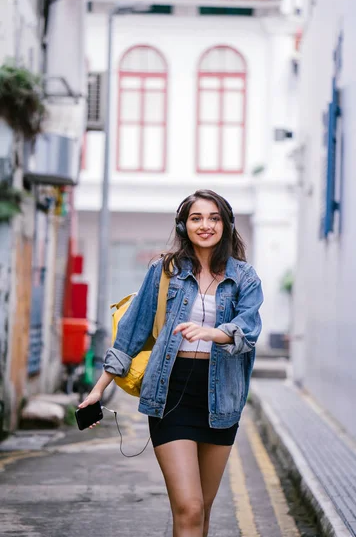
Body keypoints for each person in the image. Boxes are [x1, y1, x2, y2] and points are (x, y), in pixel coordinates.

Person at [79, 189, 263, 537]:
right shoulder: (165, 271)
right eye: (196, 218)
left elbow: (248, 330)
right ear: (183, 225)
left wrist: (211, 333)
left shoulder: (245, 278)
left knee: (202, 512)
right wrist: (97, 391)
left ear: (226, 224)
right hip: (171, 394)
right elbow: (130, 334)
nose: (205, 225)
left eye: (214, 218)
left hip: (221, 397)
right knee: (188, 507)